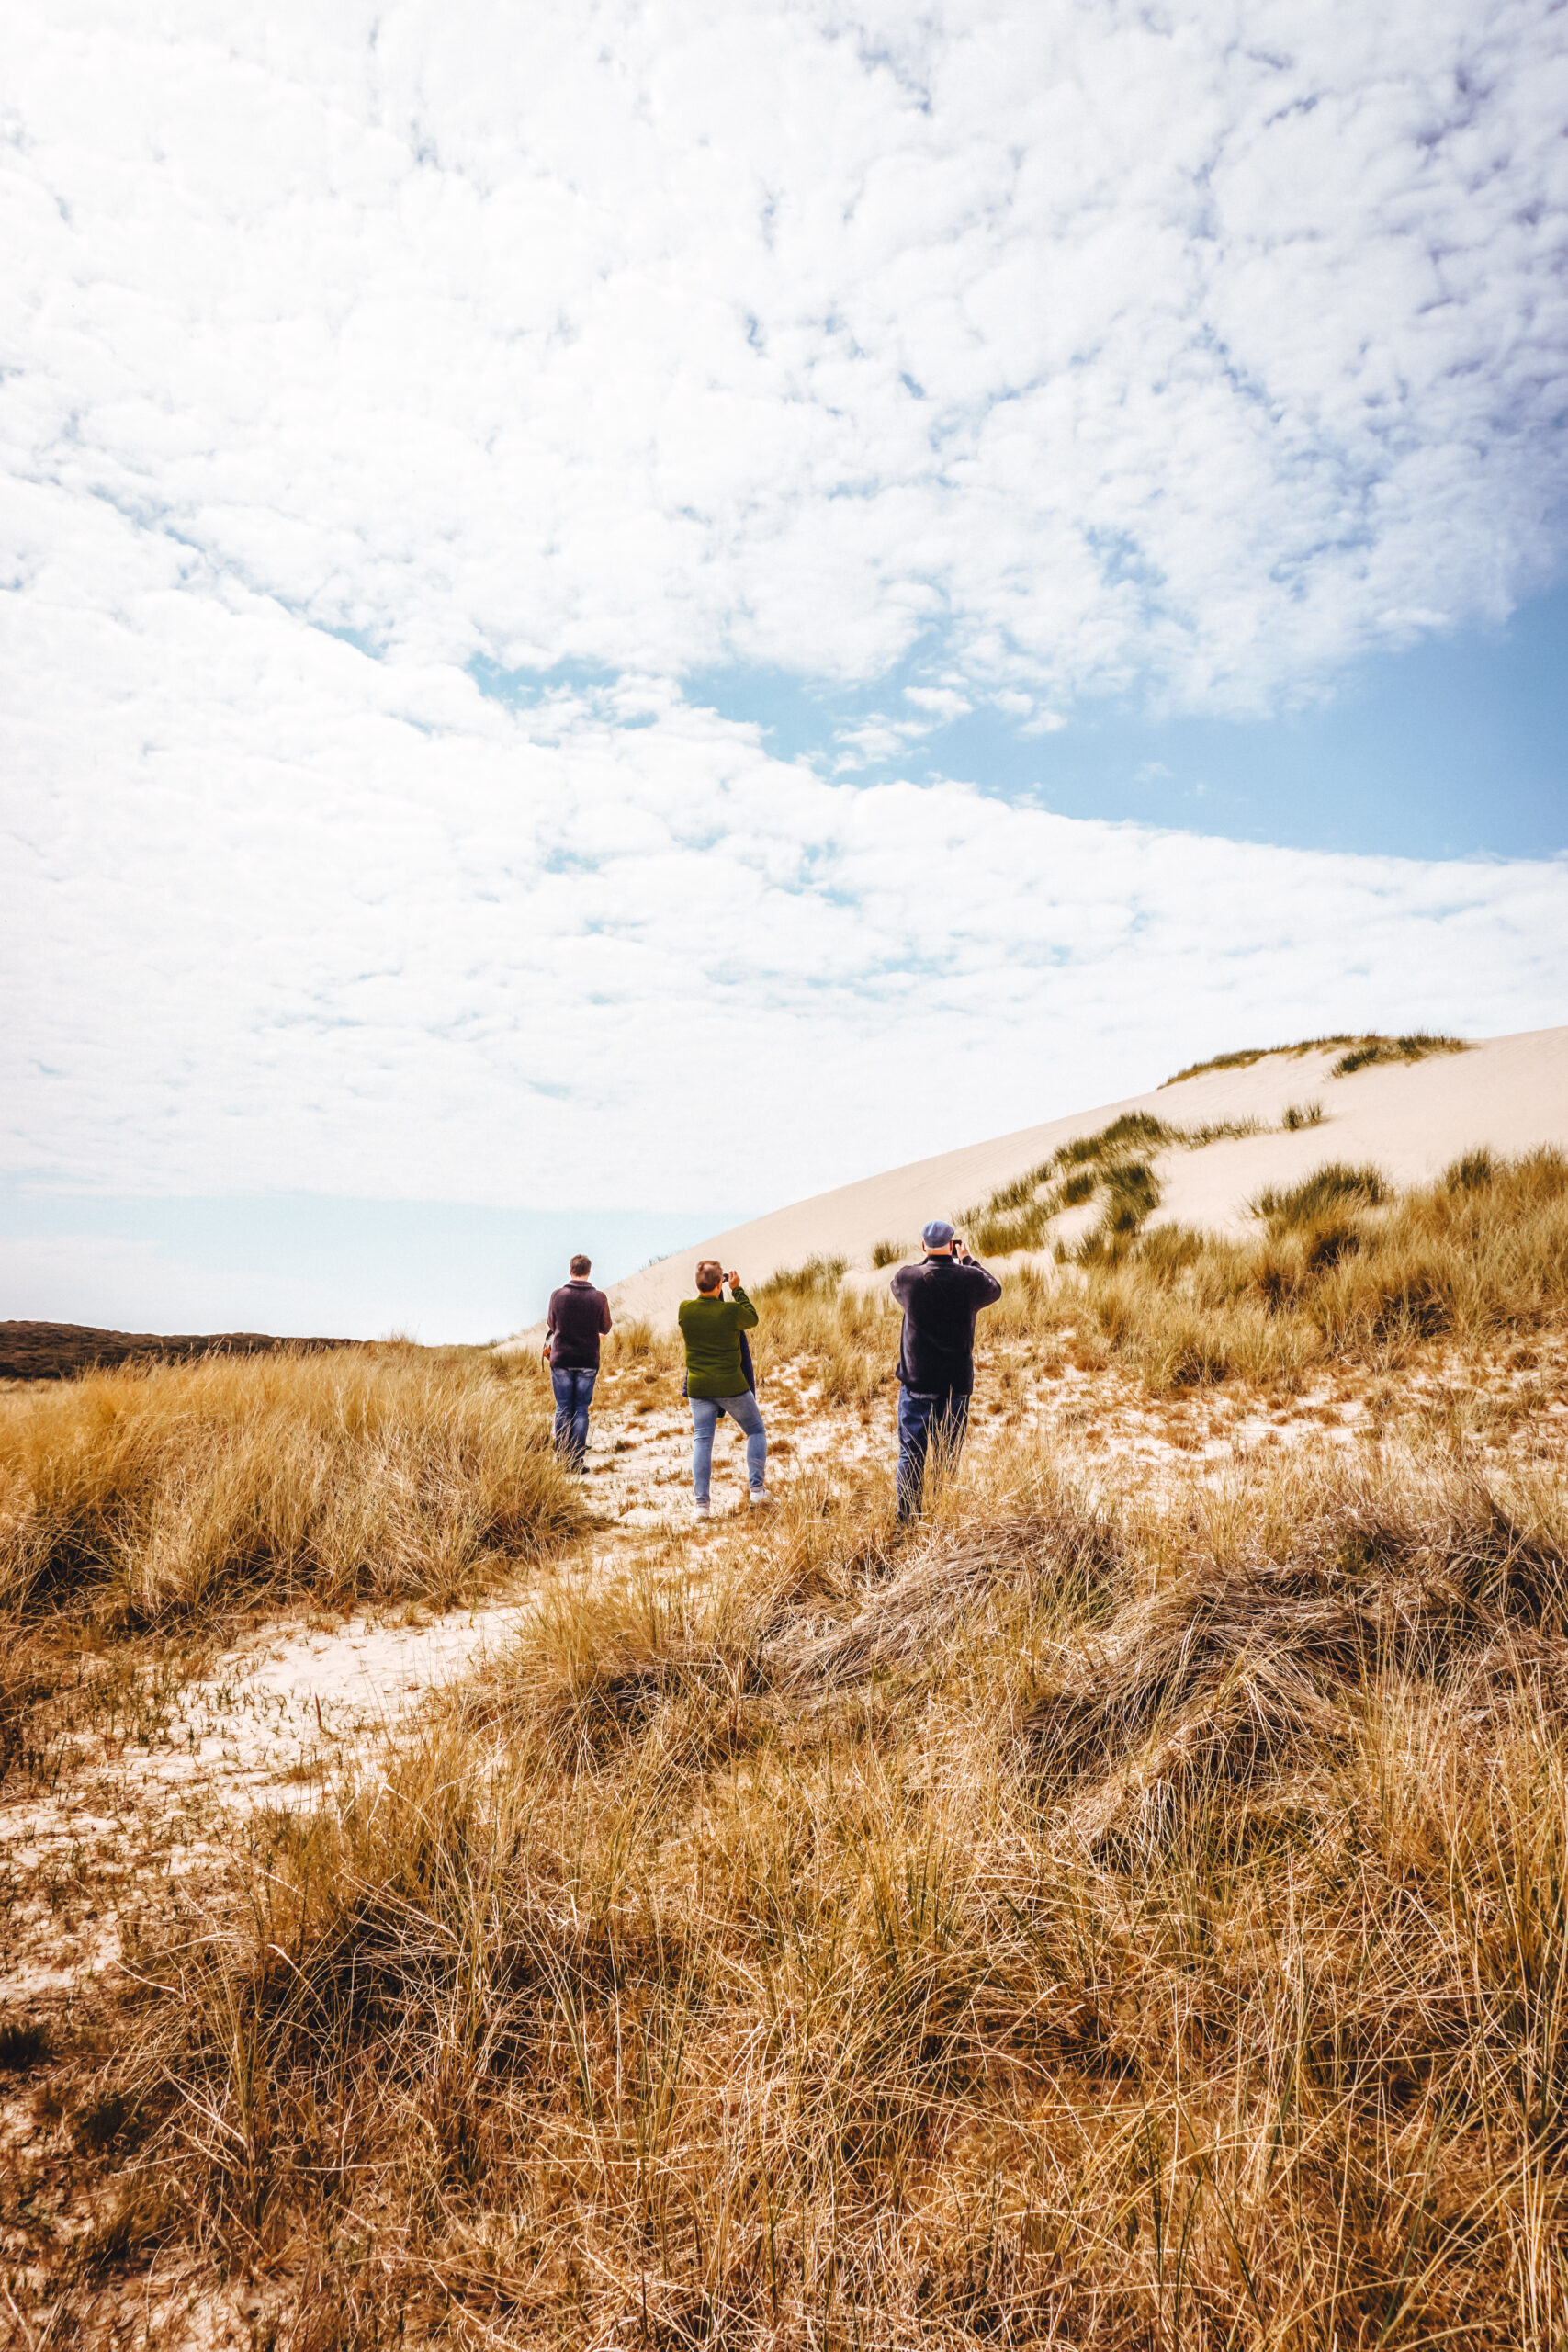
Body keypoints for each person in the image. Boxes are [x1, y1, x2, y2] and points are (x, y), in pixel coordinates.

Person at [888, 1220, 1001, 1521]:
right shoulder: (968, 1280)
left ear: (923, 1246)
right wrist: (967, 1259)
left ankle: (908, 1522)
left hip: (917, 1384)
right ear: (952, 1245)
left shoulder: (908, 1279)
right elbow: (995, 1288)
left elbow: (900, 1283)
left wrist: (930, 1259)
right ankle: (942, 1518)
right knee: (947, 1457)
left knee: (912, 1455)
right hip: (955, 1384)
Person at [678, 1259, 769, 1517]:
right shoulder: (730, 1312)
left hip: (699, 1386)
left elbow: (704, 1311)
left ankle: (702, 1507)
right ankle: (758, 1491)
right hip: (731, 1385)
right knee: (755, 1431)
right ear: (721, 1283)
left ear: (698, 1284)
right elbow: (751, 1318)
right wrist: (737, 1289)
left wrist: (716, 1291)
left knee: (702, 1442)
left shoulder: (685, 1310)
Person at [542, 1253, 613, 1470]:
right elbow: (606, 1327)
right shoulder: (599, 1297)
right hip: (587, 1359)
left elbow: (551, 1323)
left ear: (571, 1271)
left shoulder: (557, 1295)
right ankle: (575, 1460)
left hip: (562, 1358)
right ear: (589, 1271)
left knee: (563, 1408)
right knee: (581, 1409)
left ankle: (562, 1458)